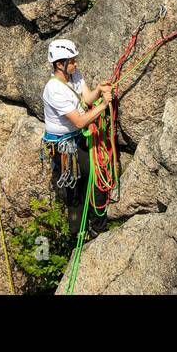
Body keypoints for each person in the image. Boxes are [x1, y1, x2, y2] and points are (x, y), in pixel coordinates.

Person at [41, 39, 112, 230]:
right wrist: (104, 105)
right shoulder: (53, 89)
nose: (75, 64)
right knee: (75, 187)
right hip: (63, 145)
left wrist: (98, 89)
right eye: (71, 61)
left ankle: (96, 226)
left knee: (93, 177)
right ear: (59, 64)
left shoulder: (74, 75)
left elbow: (87, 98)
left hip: (77, 137)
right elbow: (80, 121)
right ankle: (79, 231)